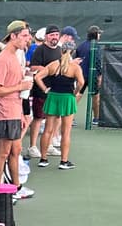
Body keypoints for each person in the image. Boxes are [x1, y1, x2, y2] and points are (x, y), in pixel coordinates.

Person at [0, 20, 34, 188]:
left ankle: (16, 187)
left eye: (28, 36)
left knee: (15, 150)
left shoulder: (14, 57)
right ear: (13, 36)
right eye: (24, 35)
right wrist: (20, 87)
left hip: (14, 111)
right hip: (4, 112)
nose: (28, 39)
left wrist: (21, 113)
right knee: (3, 152)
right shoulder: (3, 59)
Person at [34, 36, 85, 169]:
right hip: (67, 98)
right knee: (66, 132)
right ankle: (64, 161)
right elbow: (81, 83)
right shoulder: (75, 67)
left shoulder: (53, 65)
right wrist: (75, 93)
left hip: (53, 97)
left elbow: (37, 77)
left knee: (48, 130)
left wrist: (45, 89)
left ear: (61, 51)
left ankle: (43, 159)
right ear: (73, 52)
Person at [27, 25, 61, 159]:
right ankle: (32, 147)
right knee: (38, 118)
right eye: (52, 35)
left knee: (54, 118)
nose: (54, 37)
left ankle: (49, 145)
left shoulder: (59, 50)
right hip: (41, 90)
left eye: (56, 35)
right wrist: (47, 69)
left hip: (56, 90)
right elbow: (33, 67)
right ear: (46, 36)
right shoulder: (40, 50)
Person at [76, 25, 104, 125]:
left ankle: (69, 116)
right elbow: (98, 61)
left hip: (81, 74)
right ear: (95, 34)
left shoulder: (81, 46)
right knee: (96, 97)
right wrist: (99, 76)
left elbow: (76, 60)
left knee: (77, 94)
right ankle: (96, 119)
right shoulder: (96, 46)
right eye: (99, 33)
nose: (100, 35)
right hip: (93, 76)